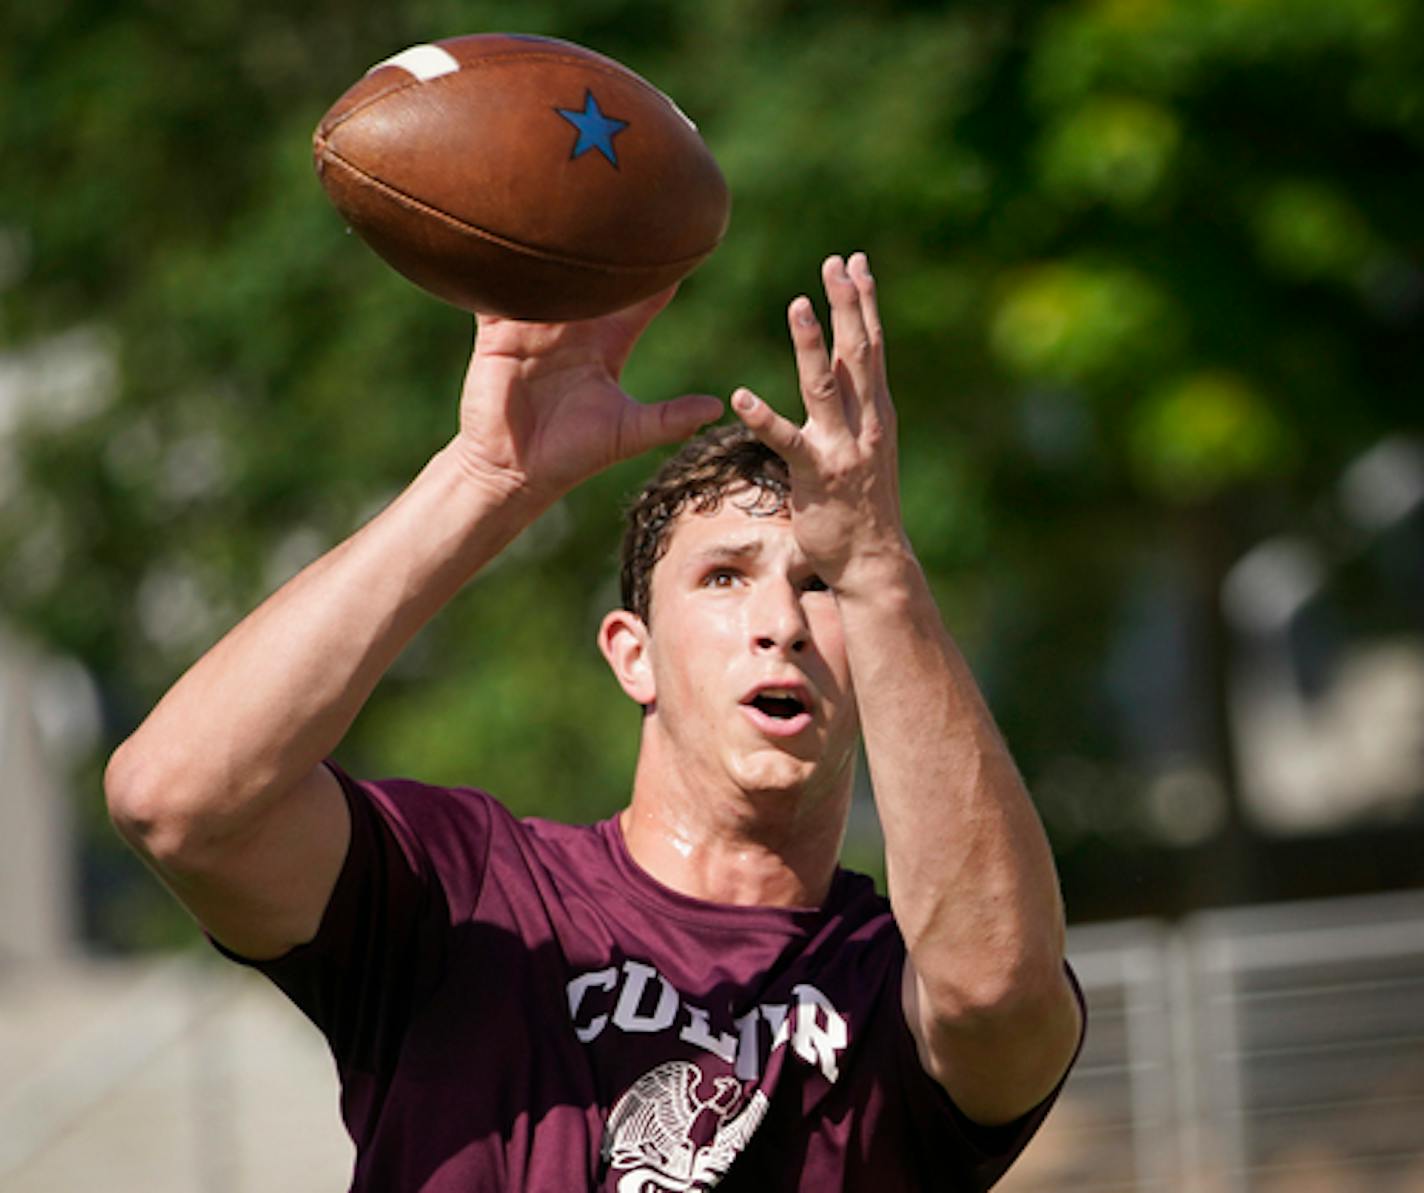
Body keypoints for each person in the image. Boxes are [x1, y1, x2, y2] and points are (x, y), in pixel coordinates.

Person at [106, 252, 1084, 1191]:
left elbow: (996, 989)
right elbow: (178, 801)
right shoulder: (471, 894)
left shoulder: (883, 977)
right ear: (632, 651)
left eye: (819, 584)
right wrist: (485, 477)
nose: (779, 624)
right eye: (723, 576)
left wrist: (878, 567)